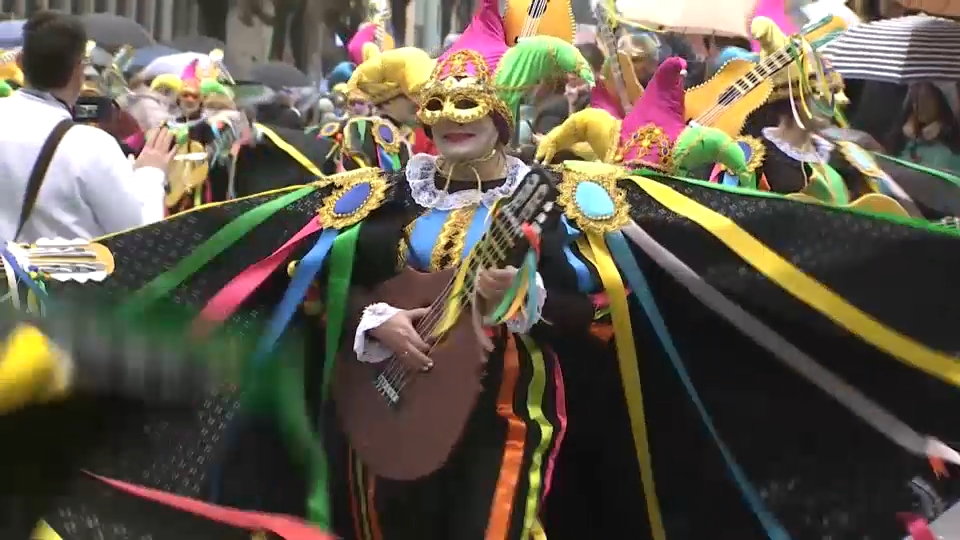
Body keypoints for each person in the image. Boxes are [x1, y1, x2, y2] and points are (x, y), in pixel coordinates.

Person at [0, 10, 171, 242]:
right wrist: (151, 174)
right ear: (79, 69)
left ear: (20, 62)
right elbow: (139, 236)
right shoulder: (91, 146)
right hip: (65, 278)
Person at [886, 82, 960, 174]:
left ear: (937, 102)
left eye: (925, 101)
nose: (918, 106)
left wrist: (943, 128)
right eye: (915, 101)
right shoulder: (905, 133)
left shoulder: (950, 138)